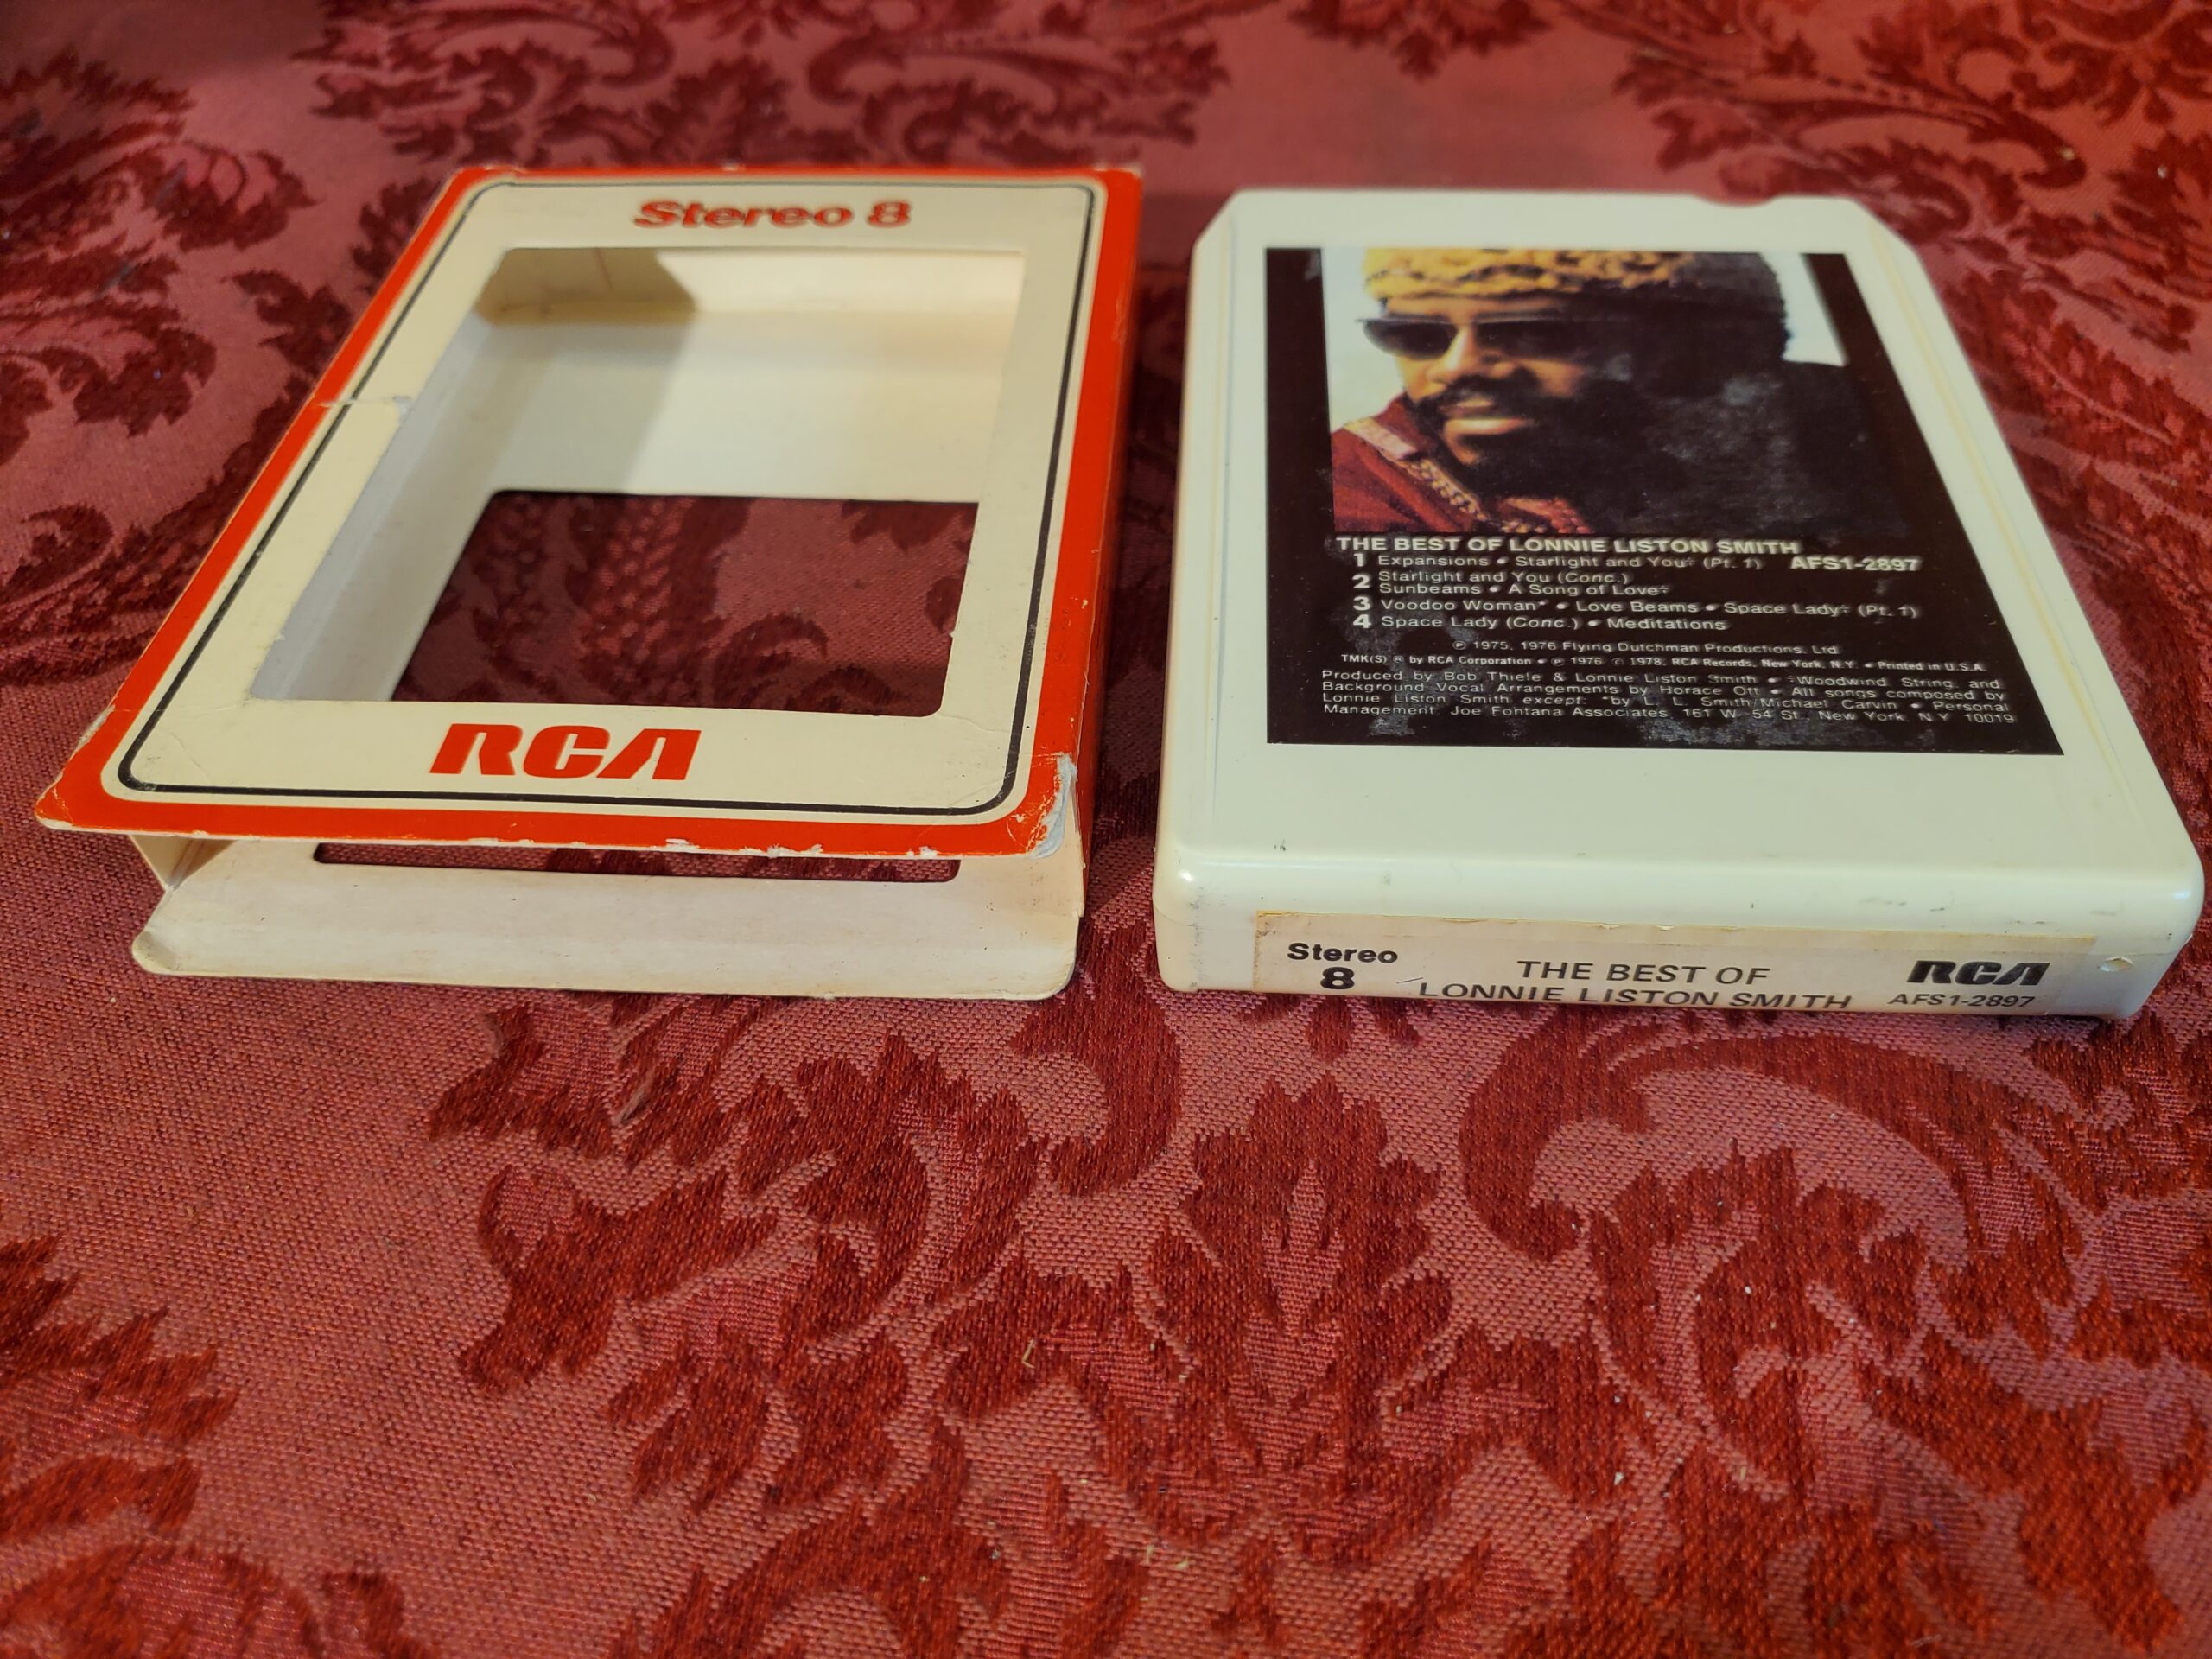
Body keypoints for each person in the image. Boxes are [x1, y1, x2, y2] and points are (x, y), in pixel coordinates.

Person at [1332, 247, 1902, 537]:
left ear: (1701, 352)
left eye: (1536, 334)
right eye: (1416, 335)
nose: (1456, 368)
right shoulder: (1362, 489)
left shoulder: (1863, 433)